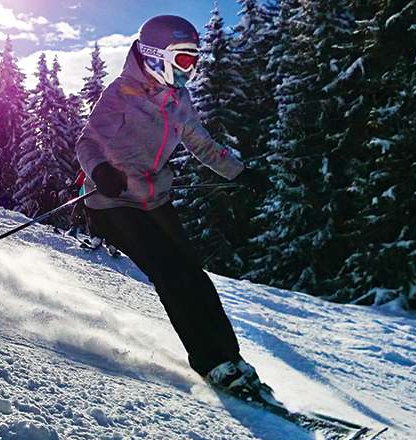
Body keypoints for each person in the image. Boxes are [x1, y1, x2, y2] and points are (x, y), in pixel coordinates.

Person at [75, 15, 272, 398]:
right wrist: (101, 170)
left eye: (194, 61)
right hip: (113, 201)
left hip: (154, 198)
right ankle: (211, 363)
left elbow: (201, 144)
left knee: (195, 276)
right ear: (154, 56)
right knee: (170, 273)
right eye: (183, 60)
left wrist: (240, 173)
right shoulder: (120, 93)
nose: (190, 70)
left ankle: (232, 359)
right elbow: (87, 143)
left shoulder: (179, 99)